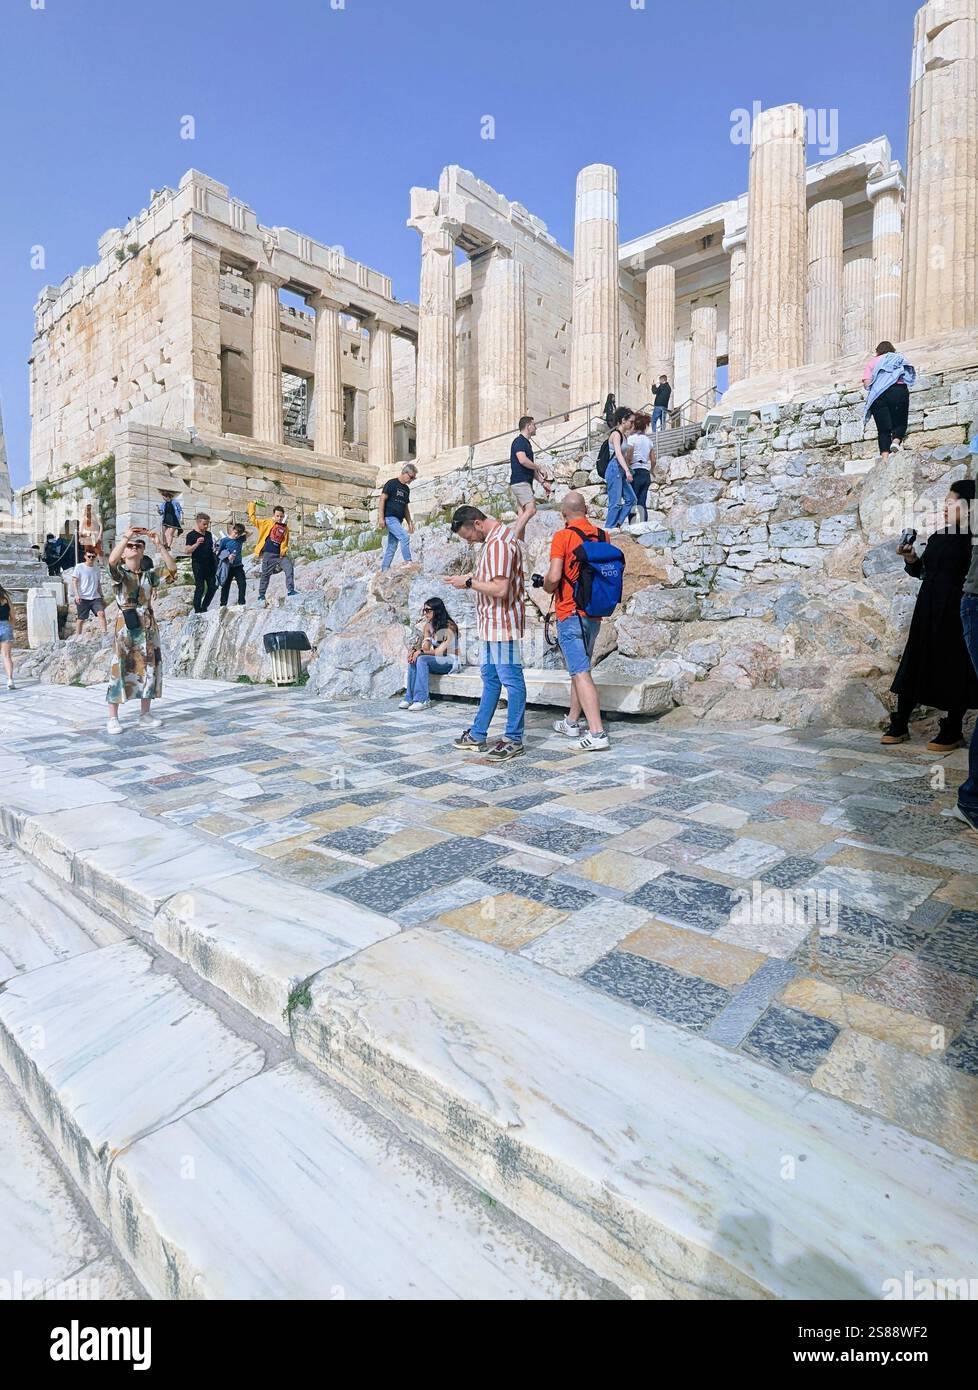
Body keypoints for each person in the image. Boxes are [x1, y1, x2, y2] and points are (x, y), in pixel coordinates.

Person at [882, 481, 978, 752]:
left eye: (951, 502)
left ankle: (953, 728)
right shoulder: (939, 535)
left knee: (955, 664)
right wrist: (911, 558)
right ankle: (900, 723)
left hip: (956, 609)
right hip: (928, 606)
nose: (945, 507)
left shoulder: (974, 539)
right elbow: (924, 572)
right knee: (916, 659)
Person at [445, 505, 527, 760]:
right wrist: (470, 577)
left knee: (511, 680)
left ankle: (513, 738)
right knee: (490, 678)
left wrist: (468, 583)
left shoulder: (499, 544)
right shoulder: (494, 541)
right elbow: (491, 579)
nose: (470, 542)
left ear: (477, 524)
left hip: (502, 623)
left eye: (468, 537)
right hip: (491, 624)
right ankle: (479, 733)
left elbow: (501, 589)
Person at [539, 490, 611, 751]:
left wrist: (545, 585)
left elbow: (555, 577)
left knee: (580, 672)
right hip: (594, 613)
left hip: (570, 613)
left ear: (563, 514)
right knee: (580, 669)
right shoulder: (603, 535)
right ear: (587, 510)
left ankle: (597, 733)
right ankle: (571, 721)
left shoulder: (563, 536)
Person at [105, 527, 177, 734]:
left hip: (147, 624)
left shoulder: (149, 575)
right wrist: (125, 536)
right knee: (120, 667)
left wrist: (158, 544)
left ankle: (145, 714)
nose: (134, 547)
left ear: (143, 551)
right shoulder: (120, 574)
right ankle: (112, 717)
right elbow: (111, 561)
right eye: (130, 546)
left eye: (138, 545)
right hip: (126, 627)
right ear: (124, 552)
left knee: (149, 668)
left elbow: (172, 571)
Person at [399, 596, 460, 711]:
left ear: (437, 611)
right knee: (415, 658)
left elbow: (439, 652)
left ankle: (422, 699)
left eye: (428, 610)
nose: (425, 613)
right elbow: (426, 646)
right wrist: (415, 652)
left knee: (421, 658)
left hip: (450, 661)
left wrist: (421, 652)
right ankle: (409, 698)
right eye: (424, 610)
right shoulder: (428, 626)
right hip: (437, 660)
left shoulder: (449, 627)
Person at [864, 341, 916, 460]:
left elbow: (867, 384)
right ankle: (896, 442)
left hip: (878, 395)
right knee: (900, 422)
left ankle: (885, 459)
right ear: (892, 349)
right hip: (898, 391)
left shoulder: (872, 362)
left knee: (883, 430)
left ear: (877, 351)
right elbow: (908, 373)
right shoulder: (899, 358)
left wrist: (879, 382)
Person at [247, 500, 296, 602]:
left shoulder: (285, 528)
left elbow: (285, 541)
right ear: (273, 515)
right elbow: (253, 519)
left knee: (289, 569)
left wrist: (284, 550)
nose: (279, 518)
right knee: (265, 574)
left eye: (281, 516)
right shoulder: (266, 523)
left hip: (280, 555)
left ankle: (291, 590)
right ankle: (261, 595)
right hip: (268, 554)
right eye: (277, 516)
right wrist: (252, 505)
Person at [509, 415, 551, 519]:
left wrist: (542, 482)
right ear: (528, 426)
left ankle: (519, 536)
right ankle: (515, 534)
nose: (536, 427)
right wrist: (539, 467)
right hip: (521, 482)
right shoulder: (519, 441)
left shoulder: (526, 443)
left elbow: (529, 467)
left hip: (523, 482)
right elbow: (523, 460)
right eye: (534, 424)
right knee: (531, 509)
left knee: (522, 513)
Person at [378, 463, 418, 570]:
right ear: (405, 473)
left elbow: (405, 507)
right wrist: (381, 518)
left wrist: (410, 522)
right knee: (404, 537)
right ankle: (408, 562)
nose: (412, 480)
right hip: (390, 518)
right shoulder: (391, 483)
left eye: (414, 478)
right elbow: (382, 499)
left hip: (398, 520)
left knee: (392, 546)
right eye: (411, 477)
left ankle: (384, 569)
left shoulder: (406, 489)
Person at [604, 407, 636, 531]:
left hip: (620, 469)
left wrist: (627, 469)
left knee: (631, 499)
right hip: (614, 468)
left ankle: (617, 524)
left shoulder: (624, 436)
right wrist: (627, 471)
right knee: (615, 502)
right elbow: (618, 454)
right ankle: (609, 528)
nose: (632, 424)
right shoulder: (616, 434)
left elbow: (623, 456)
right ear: (623, 420)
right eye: (631, 422)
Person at [184, 512, 218, 613]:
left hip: (210, 564)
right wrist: (197, 543)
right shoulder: (191, 535)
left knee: (213, 586)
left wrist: (216, 549)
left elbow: (211, 547)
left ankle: (204, 607)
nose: (206, 526)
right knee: (200, 587)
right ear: (198, 523)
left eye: (207, 524)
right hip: (198, 564)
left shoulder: (209, 534)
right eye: (204, 524)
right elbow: (187, 551)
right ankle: (197, 610)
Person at [71, 548, 108, 636]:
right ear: (85, 557)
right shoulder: (79, 567)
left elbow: (98, 583)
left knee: (101, 613)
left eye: (93, 557)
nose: (91, 558)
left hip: (95, 596)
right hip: (83, 597)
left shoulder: (97, 569)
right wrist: (77, 595)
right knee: (81, 618)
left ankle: (104, 633)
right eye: (89, 556)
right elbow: (74, 581)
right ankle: (78, 636)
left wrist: (102, 596)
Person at [627, 412, 653, 521]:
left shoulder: (632, 439)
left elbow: (629, 456)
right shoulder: (649, 441)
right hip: (645, 471)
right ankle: (643, 524)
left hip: (635, 470)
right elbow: (654, 459)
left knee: (633, 500)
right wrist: (652, 470)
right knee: (642, 501)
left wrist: (627, 468)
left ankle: (632, 524)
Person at [217, 522, 248, 607]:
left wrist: (243, 530)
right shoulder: (224, 540)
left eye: (239, 534)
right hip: (228, 567)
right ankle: (223, 604)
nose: (236, 535)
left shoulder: (240, 539)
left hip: (238, 566)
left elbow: (250, 533)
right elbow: (218, 553)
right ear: (232, 530)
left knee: (242, 583)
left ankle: (241, 603)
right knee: (226, 586)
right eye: (235, 533)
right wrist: (227, 556)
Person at [0, 584, 15, 691]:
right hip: (6, 626)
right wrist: (10, 628)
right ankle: (10, 680)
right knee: (7, 656)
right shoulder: (6, 600)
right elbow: (13, 617)